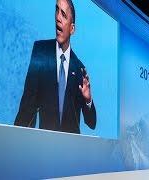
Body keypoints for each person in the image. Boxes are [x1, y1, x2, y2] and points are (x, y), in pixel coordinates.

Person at [14, 0, 96, 134]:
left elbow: (91, 123)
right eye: (57, 10)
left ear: (72, 28)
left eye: (63, 14)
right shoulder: (41, 52)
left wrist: (88, 100)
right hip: (43, 146)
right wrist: (16, 138)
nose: (58, 17)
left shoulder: (79, 68)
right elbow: (28, 103)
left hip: (70, 149)